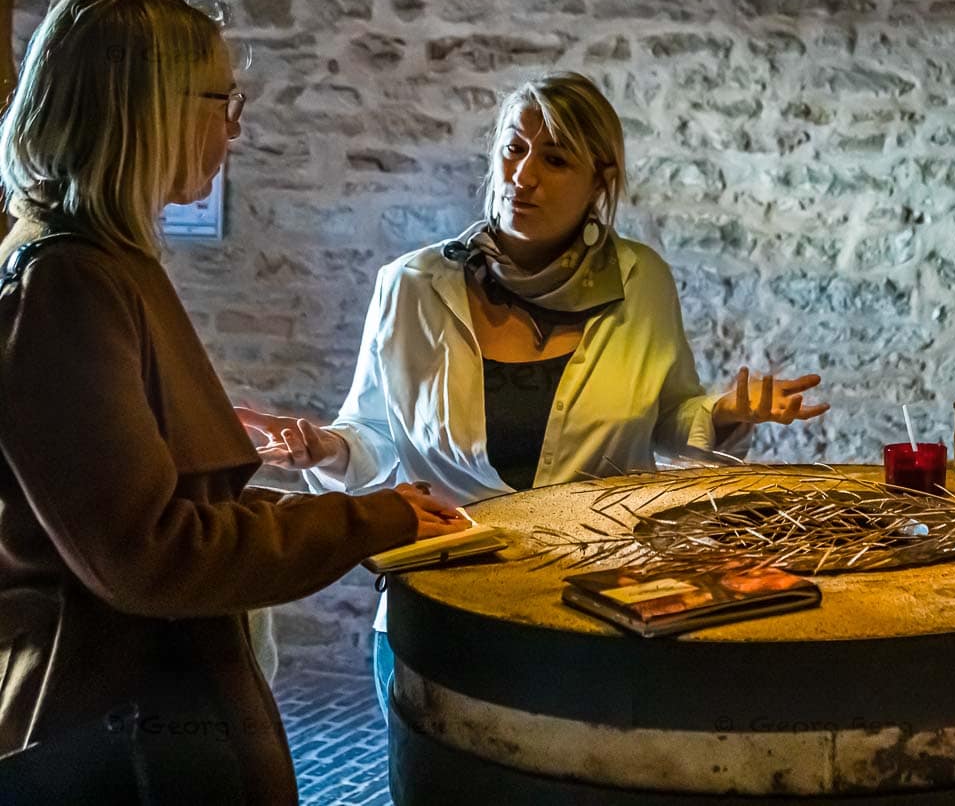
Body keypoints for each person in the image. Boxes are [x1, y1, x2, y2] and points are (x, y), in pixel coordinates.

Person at [239, 72, 829, 719]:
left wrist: (724, 414)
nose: (523, 176)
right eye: (514, 149)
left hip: (602, 612)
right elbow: (373, 434)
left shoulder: (641, 284)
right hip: (445, 607)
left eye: (555, 159)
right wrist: (323, 447)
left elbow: (669, 419)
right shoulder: (410, 286)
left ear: (599, 182)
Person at [0, 0, 466, 804]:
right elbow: (146, 553)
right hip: (117, 731)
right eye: (223, 99)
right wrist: (368, 518)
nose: (236, 125)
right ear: (149, 107)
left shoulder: (102, 261)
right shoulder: (67, 281)